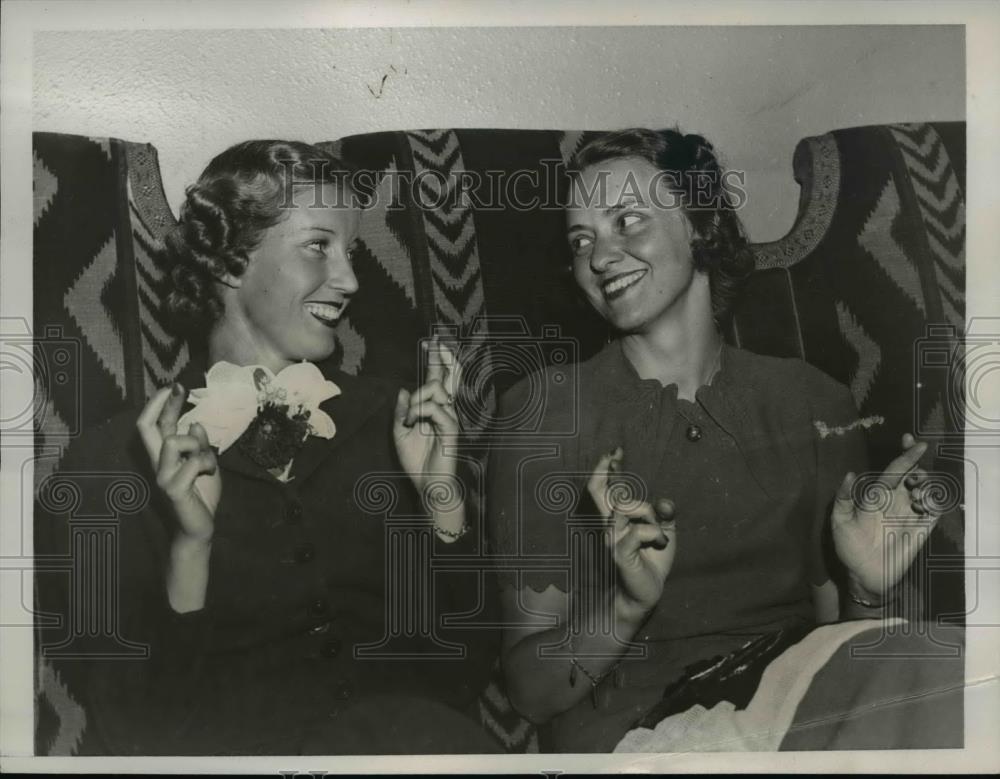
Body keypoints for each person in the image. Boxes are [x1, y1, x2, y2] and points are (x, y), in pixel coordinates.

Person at [487, 128, 949, 752]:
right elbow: (530, 694)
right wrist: (626, 606)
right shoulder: (546, 412)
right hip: (646, 736)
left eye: (628, 220)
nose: (599, 257)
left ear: (701, 223)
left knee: (948, 671)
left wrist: (868, 592)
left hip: (791, 710)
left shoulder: (813, 401)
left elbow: (842, 657)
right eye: (581, 240)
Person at [34, 140, 500, 755]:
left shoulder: (398, 422)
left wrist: (442, 500)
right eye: (318, 247)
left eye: (352, 252)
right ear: (230, 261)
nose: (351, 280)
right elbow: (135, 736)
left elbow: (464, 677)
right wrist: (192, 549)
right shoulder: (107, 467)